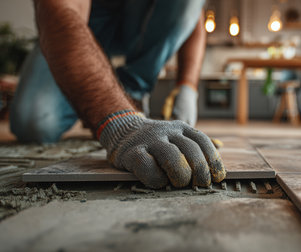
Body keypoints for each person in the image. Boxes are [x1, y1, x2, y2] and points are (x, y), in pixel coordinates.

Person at [9, 0, 226, 189]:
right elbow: (58, 13)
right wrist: (120, 122)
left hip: (141, 19)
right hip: (77, 22)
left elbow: (192, 15)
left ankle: (133, 92)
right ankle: (114, 103)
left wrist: (187, 87)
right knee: (32, 121)